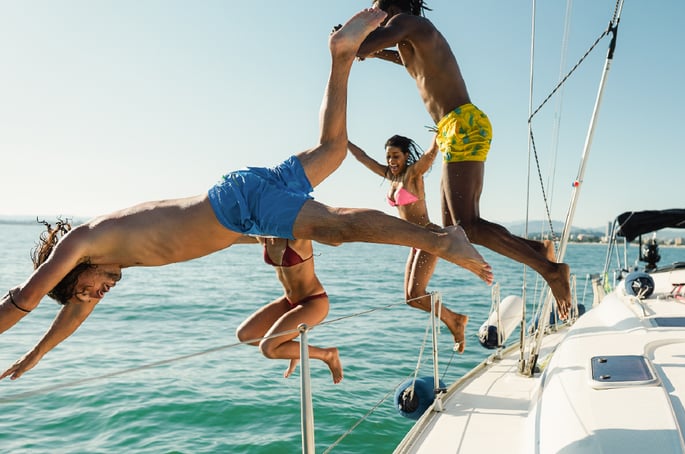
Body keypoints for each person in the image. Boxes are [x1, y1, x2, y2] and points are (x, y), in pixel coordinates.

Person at [0, 8, 492, 381]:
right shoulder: (105, 258)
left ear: (71, 271)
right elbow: (72, 313)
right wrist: (38, 354)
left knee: (336, 228)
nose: (97, 295)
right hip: (242, 197)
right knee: (334, 148)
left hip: (237, 206)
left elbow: (23, 299)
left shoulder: (83, 241)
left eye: (87, 289)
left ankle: (442, 242)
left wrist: (22, 320)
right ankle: (342, 58)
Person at [355, 0, 572, 318]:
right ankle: (538, 251)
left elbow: (361, 45)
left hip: (462, 125)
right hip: (453, 128)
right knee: (456, 227)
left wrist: (356, 33)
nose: (374, 14)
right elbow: (405, 62)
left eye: (376, 9)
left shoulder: (407, 23)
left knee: (467, 225)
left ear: (393, 4)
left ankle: (552, 271)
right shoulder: (411, 38)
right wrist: (378, 54)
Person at [348, 135, 469, 352]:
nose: (391, 161)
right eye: (388, 157)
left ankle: (455, 322)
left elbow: (431, 155)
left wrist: (438, 132)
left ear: (405, 156)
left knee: (417, 294)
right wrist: (343, 140)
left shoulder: (413, 174)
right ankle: (455, 319)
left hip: (429, 237)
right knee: (411, 299)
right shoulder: (389, 175)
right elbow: (363, 158)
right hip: (414, 240)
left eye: (396, 156)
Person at [236, 237, 342, 383]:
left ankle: (327, 355)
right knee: (246, 335)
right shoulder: (263, 235)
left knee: (269, 348)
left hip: (313, 302)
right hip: (289, 300)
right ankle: (294, 350)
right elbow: (229, 236)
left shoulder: (297, 235)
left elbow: (334, 239)